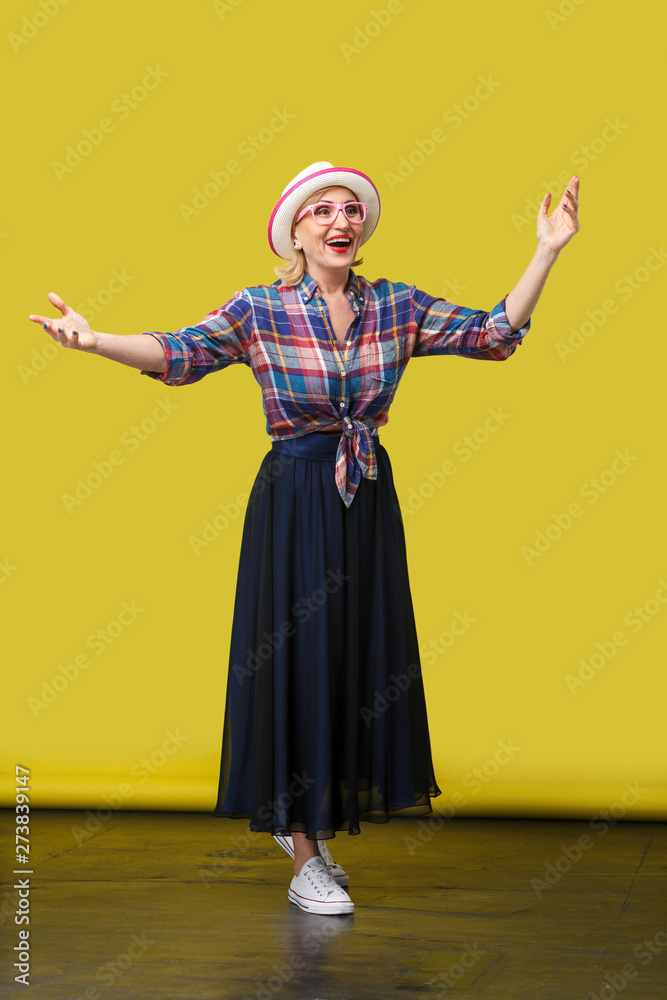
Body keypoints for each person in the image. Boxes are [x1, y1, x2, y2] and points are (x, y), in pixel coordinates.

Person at [28, 160, 581, 917]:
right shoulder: (259, 308)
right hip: (294, 496)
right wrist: (96, 343)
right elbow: (179, 353)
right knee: (297, 660)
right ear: (295, 231)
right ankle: (303, 852)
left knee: (355, 656)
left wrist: (546, 250)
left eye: (350, 210)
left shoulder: (394, 305)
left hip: (366, 495)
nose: (339, 222)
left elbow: (492, 334)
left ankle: (308, 828)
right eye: (321, 211)